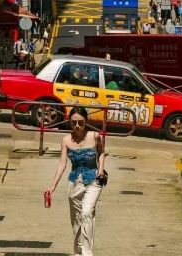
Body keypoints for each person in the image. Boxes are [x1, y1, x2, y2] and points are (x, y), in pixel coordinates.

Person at [46, 106, 106, 256]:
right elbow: (62, 164)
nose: (77, 126)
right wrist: (52, 186)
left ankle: (87, 253)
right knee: (76, 220)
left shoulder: (95, 136)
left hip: (94, 180)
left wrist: (101, 169)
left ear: (86, 121)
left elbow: (102, 153)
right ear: (69, 122)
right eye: (74, 123)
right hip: (74, 183)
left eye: (80, 122)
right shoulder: (66, 140)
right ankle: (78, 251)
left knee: (86, 212)